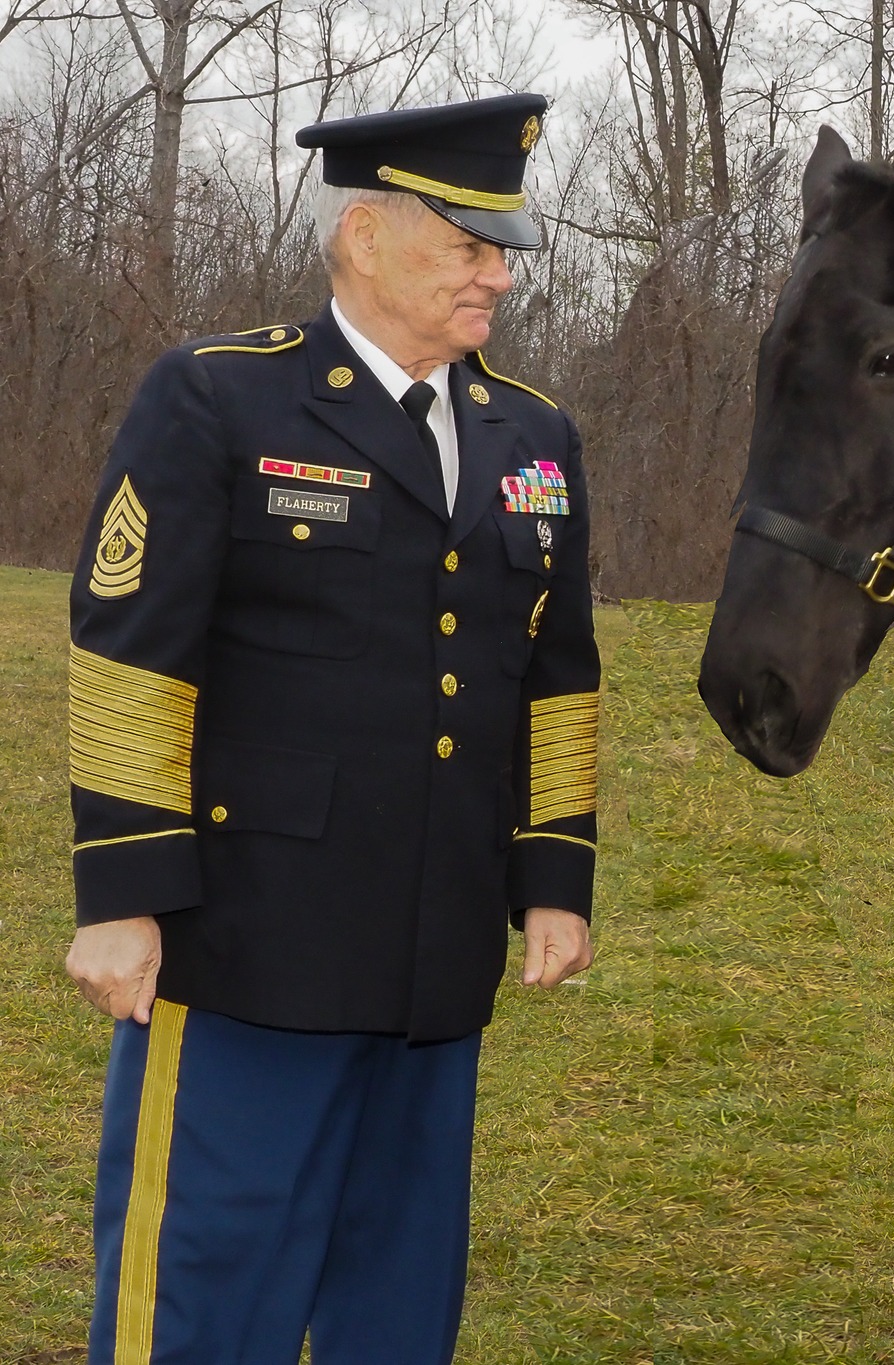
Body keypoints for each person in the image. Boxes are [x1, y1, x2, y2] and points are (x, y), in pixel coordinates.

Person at [62, 92, 599, 1365]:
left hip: (434, 952)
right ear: (363, 235)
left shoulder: (535, 435)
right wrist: (123, 895)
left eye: (502, 248)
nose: (498, 275)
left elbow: (558, 672)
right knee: (207, 1282)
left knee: (397, 1297)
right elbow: (134, 650)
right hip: (249, 946)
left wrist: (554, 877)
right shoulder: (220, 398)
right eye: (470, 245)